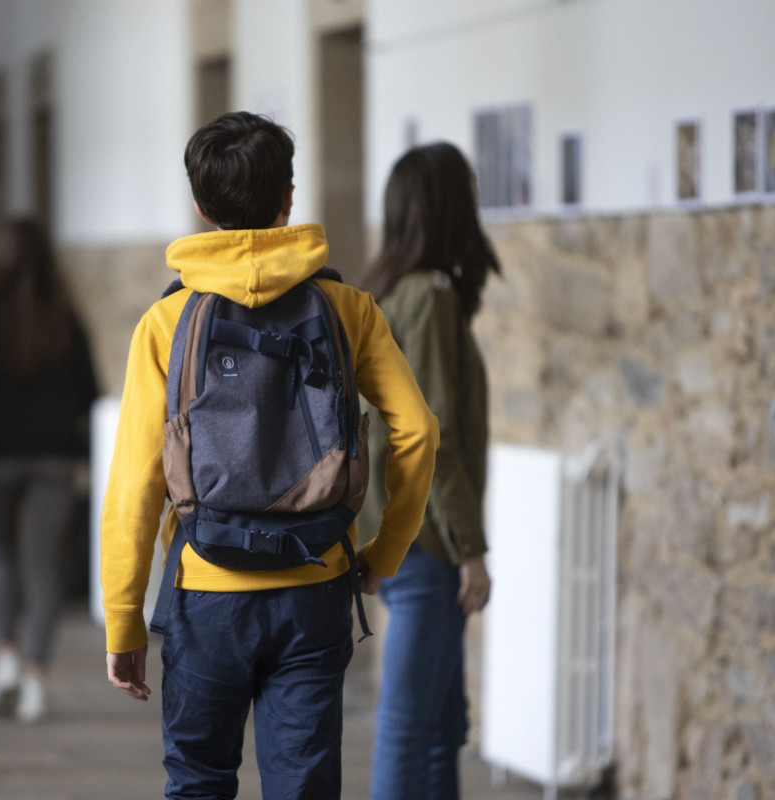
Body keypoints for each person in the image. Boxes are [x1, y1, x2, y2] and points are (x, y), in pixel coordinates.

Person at [100, 111, 439, 798]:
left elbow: (135, 483)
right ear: (288, 198)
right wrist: (385, 551)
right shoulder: (348, 309)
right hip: (314, 585)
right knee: (302, 785)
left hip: (205, 589)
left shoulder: (166, 322)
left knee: (197, 780)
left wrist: (123, 617)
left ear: (200, 206)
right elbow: (418, 431)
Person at [360, 142, 497, 800]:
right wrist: (469, 549)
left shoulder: (387, 290)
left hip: (399, 537)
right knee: (412, 728)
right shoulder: (431, 296)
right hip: (428, 543)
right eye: (467, 192)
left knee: (441, 727)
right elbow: (433, 434)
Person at [0, 218, 98, 723]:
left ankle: (5, 660)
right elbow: (89, 389)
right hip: (52, 458)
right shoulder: (63, 317)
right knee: (43, 569)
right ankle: (36, 677)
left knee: (0, 557)